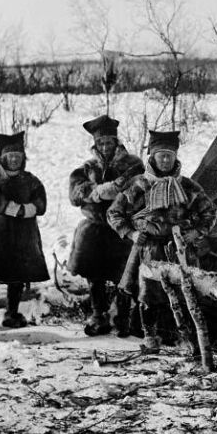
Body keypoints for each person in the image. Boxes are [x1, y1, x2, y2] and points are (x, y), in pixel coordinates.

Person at [107, 130, 217, 350]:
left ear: (176, 157)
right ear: (152, 157)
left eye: (169, 155)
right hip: (149, 248)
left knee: (185, 292)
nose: (165, 160)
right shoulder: (139, 185)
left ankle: (184, 336)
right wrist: (131, 233)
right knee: (149, 294)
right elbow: (114, 213)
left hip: (181, 249)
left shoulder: (187, 186)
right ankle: (150, 336)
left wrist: (195, 233)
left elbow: (210, 213)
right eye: (161, 155)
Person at [67, 115, 145, 337]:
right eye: (101, 143)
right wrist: (97, 192)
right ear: (95, 144)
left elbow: (140, 189)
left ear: (116, 142)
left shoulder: (133, 164)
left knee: (126, 273)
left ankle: (123, 315)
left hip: (122, 228)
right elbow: (75, 195)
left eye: (109, 142)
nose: (105, 146)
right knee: (94, 272)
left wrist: (121, 190)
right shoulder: (88, 167)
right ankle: (98, 313)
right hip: (96, 228)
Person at [0, 131, 49, 331]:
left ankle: (12, 313)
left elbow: (41, 202)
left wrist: (31, 208)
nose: (14, 159)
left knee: (17, 276)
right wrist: (14, 209)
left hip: (23, 238)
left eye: (18, 156)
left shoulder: (31, 180)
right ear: (3, 158)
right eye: (10, 156)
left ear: (23, 159)